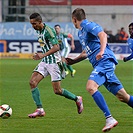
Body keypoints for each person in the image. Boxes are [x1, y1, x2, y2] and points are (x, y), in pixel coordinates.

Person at [65, 8, 133, 132]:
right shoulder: (81, 33)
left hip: (105, 61)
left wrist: (102, 51)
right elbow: (87, 52)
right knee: (123, 97)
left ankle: (109, 118)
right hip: (100, 65)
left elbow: (103, 35)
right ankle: (111, 117)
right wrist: (74, 61)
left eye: (73, 21)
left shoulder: (88, 25)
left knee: (91, 87)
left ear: (74, 19)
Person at [28, 13, 83, 118]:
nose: (33, 26)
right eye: (31, 24)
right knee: (32, 82)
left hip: (54, 63)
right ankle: (40, 109)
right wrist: (43, 56)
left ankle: (77, 99)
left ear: (40, 22)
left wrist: (42, 54)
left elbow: (57, 47)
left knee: (57, 91)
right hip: (45, 61)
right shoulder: (38, 31)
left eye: (34, 24)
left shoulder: (49, 31)